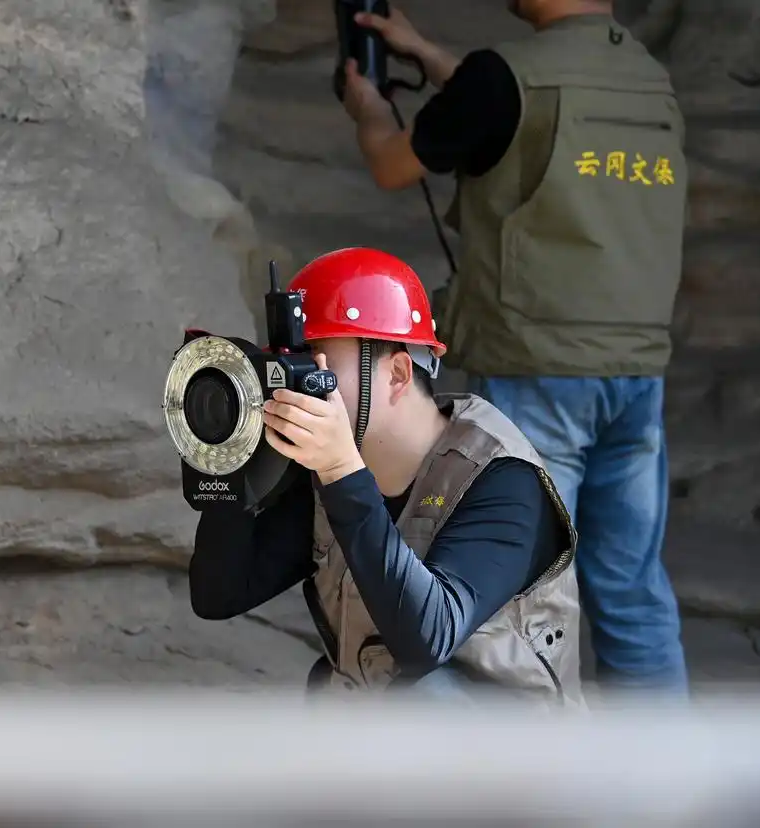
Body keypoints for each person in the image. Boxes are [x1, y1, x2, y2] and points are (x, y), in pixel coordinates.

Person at [337, 1, 689, 695]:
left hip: (537, 371)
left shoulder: (507, 79)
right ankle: (666, 791)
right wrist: (424, 50)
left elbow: (391, 163)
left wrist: (369, 105)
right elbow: (507, 98)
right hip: (635, 373)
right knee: (632, 590)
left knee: (507, 602)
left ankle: (519, 789)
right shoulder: (648, 76)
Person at [189, 246, 583, 705]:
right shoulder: (324, 472)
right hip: (388, 737)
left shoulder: (502, 479)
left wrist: (341, 471)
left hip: (512, 758)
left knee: (424, 698)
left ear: (397, 372)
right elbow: (219, 595)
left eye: (317, 365)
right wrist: (229, 459)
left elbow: (427, 640)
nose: (299, 387)